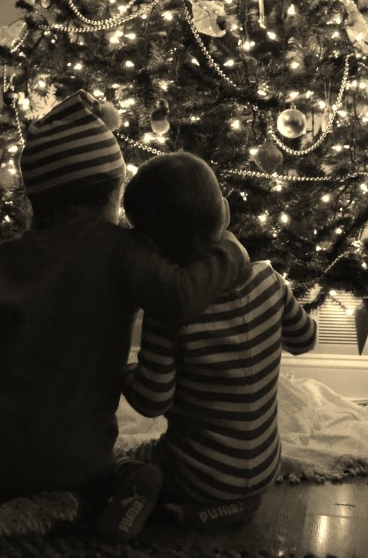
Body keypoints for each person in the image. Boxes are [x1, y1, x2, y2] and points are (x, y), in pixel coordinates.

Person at [0, 91, 248, 537]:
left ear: (37, 198)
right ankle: (92, 496)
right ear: (111, 193)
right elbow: (181, 298)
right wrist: (231, 250)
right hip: (72, 459)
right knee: (116, 468)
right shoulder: (119, 250)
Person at [121, 152, 317, 530]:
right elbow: (305, 338)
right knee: (234, 474)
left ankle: (165, 504)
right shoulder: (269, 280)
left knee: (129, 460)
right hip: (265, 466)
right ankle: (221, 508)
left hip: (196, 472)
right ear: (224, 212)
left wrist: (122, 372)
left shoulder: (168, 314)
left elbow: (151, 400)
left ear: (148, 245)